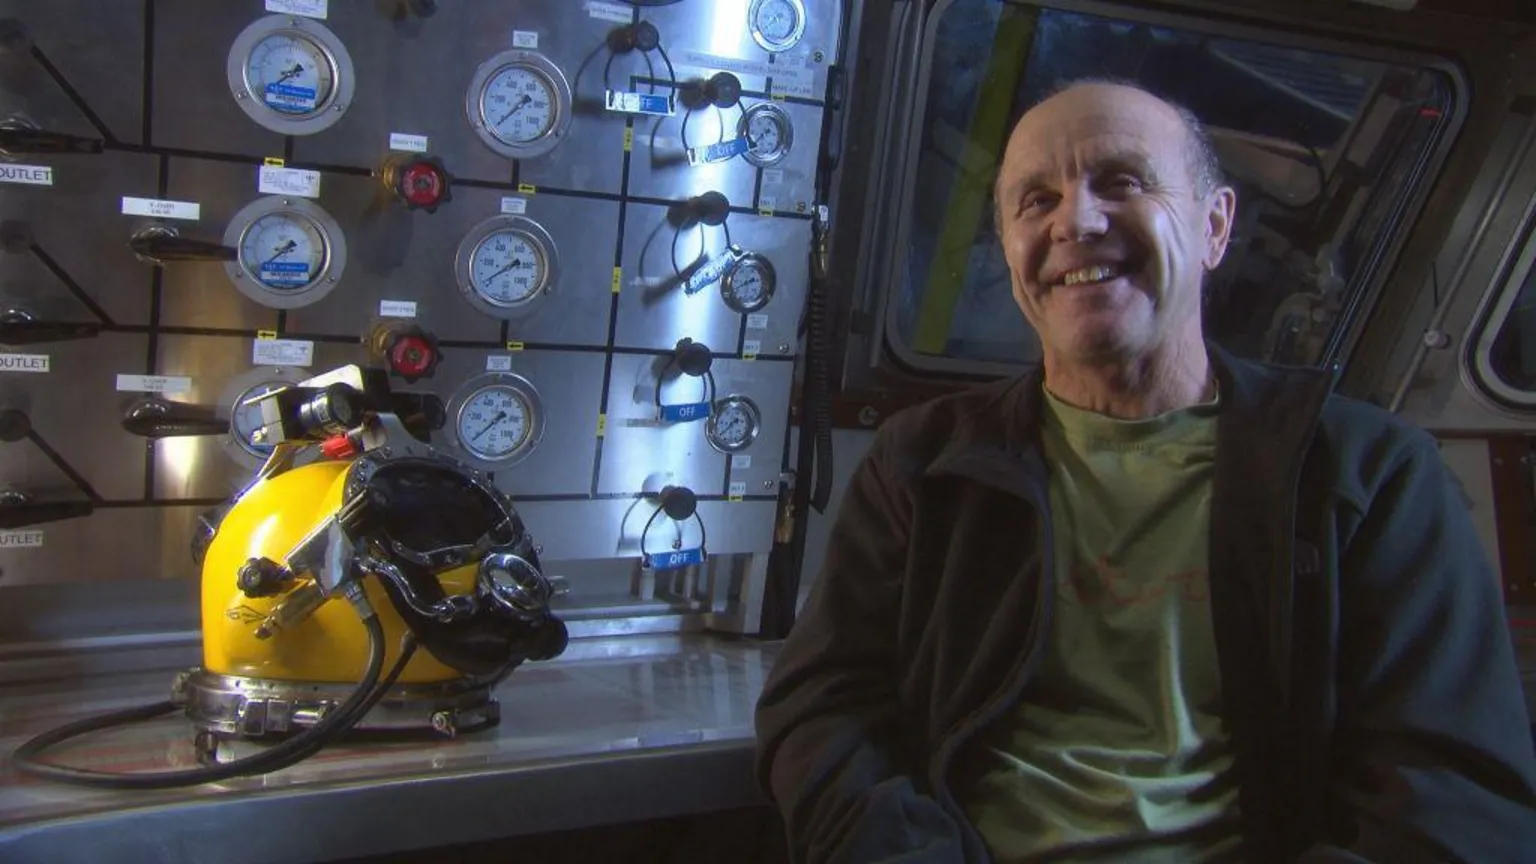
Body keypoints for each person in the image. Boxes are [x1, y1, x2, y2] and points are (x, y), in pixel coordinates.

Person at [753, 79, 1536, 863]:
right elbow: (822, 708)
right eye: (1035, 201)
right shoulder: (924, 462)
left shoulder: (1370, 473)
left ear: (1216, 226)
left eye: (1121, 181)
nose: (1076, 221)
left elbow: (1452, 791)